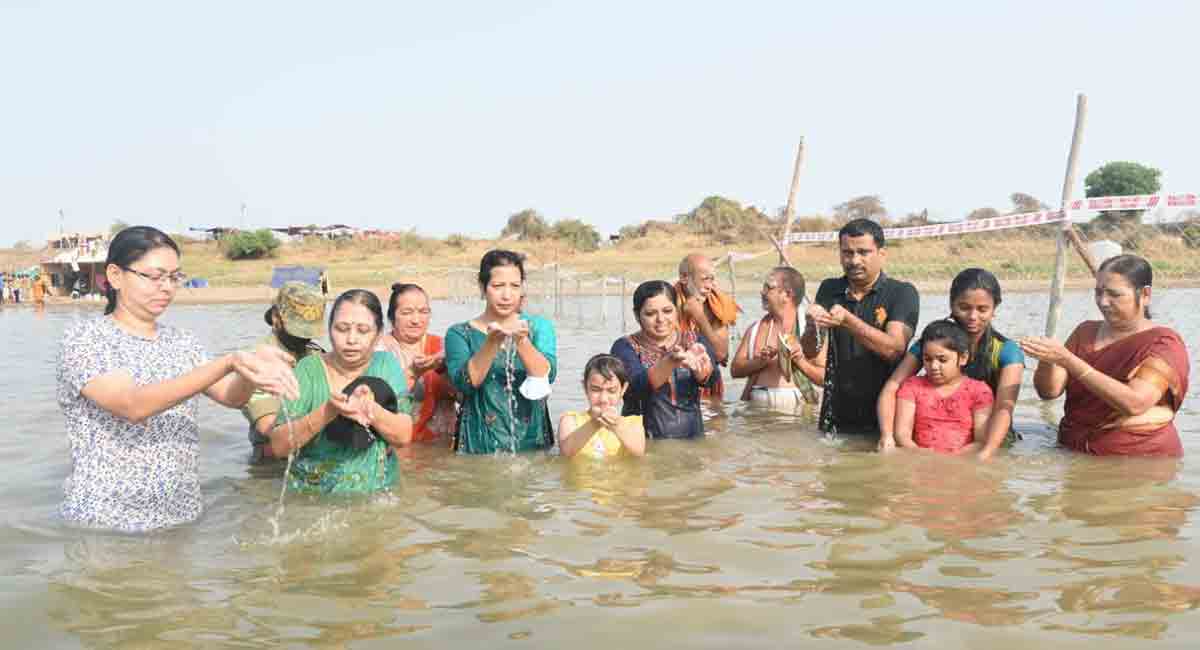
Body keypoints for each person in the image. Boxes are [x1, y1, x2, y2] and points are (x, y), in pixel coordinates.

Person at [56, 226, 297, 532]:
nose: (166, 287)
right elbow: (132, 405)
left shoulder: (182, 343)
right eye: (154, 277)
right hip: (106, 520)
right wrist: (230, 361)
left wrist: (251, 367)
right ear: (115, 276)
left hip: (180, 518)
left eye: (174, 277)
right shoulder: (85, 339)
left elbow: (232, 396)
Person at [1022, 254, 1190, 457]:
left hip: (1138, 460)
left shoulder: (1163, 343)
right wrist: (1048, 359)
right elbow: (1048, 392)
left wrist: (1068, 360)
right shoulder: (1084, 332)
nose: (1103, 302)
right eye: (1098, 292)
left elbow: (1135, 403)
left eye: (1114, 294)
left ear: (1145, 295)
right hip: (1074, 450)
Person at [265, 289, 414, 493]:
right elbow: (279, 446)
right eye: (342, 329)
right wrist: (328, 411)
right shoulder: (308, 369)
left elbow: (404, 436)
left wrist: (370, 409)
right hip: (313, 497)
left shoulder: (386, 364)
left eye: (363, 330)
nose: (351, 339)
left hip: (377, 495)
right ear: (329, 329)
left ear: (379, 334)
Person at [877, 268, 1024, 459]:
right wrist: (887, 436)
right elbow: (892, 387)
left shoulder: (1007, 351)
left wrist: (987, 452)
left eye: (982, 309)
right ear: (951, 305)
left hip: (989, 438)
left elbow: (1005, 408)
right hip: (929, 443)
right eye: (964, 307)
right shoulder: (931, 343)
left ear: (994, 308)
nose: (972, 316)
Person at [801, 219, 919, 436]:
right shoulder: (830, 288)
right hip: (836, 414)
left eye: (863, 252)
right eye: (847, 253)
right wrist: (811, 326)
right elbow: (810, 352)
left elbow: (894, 350)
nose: (854, 260)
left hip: (886, 419)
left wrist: (848, 321)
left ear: (882, 254)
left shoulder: (901, 293)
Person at [445, 250, 557, 454]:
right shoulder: (459, 333)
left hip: (533, 444)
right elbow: (465, 383)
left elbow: (546, 376)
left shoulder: (539, 327)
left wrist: (521, 340)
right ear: (482, 288)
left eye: (514, 286)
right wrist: (491, 343)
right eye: (498, 286)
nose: (507, 295)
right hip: (478, 446)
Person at [611, 280, 717, 440]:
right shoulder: (625, 347)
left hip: (693, 439)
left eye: (667, 311)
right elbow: (636, 386)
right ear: (636, 315)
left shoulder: (695, 340)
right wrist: (670, 361)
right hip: (643, 441)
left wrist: (701, 370)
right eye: (650, 313)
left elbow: (711, 380)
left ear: (677, 310)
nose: (660, 319)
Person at [242, 281, 327, 464]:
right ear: (276, 318)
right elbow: (268, 427)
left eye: (308, 332)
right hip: (272, 464)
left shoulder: (315, 354)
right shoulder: (257, 361)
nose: (303, 338)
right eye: (297, 331)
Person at [730, 267, 823, 413]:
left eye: (768, 287)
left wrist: (800, 361)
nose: (762, 292)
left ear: (787, 294)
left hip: (797, 410)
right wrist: (759, 361)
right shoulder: (755, 329)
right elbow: (734, 370)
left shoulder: (811, 328)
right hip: (757, 412)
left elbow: (825, 379)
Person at [893, 321, 994, 454]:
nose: (934, 366)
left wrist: (952, 460)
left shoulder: (980, 391)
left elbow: (981, 441)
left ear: (963, 358)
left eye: (942, 360)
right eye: (927, 359)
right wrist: (919, 454)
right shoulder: (912, 387)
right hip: (922, 460)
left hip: (960, 462)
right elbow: (902, 435)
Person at [377, 282, 458, 442]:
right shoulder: (379, 351)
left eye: (423, 312)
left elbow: (465, 393)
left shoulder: (444, 346)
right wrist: (413, 373)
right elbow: (379, 404)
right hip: (398, 445)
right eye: (407, 312)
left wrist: (444, 368)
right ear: (392, 317)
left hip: (441, 448)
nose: (416, 320)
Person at [557, 354, 647, 459]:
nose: (603, 399)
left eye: (611, 391)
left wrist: (616, 425)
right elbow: (566, 453)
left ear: (623, 389)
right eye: (595, 390)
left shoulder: (632, 424)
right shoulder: (570, 420)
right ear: (585, 388)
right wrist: (594, 423)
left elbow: (639, 452)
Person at [676, 253, 739, 399]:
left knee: (716, 420)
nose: (710, 286)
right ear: (684, 277)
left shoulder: (716, 304)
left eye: (712, 279)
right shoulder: (668, 301)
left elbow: (722, 354)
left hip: (709, 383)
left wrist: (699, 317)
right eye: (704, 279)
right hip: (677, 381)